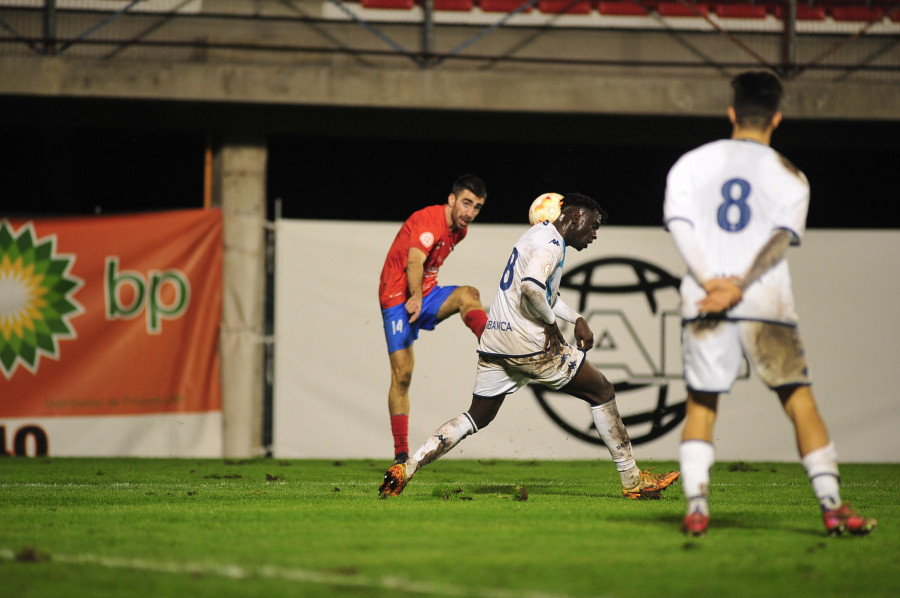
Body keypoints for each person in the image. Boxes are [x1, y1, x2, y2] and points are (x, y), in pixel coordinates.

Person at [663, 70, 876, 538]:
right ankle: (833, 507)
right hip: (766, 302)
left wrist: (713, 284)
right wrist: (740, 285)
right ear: (776, 117)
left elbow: (680, 226)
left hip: (705, 302)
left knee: (701, 406)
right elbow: (781, 240)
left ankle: (698, 506)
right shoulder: (790, 176)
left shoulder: (691, 163)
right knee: (801, 403)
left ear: (732, 112)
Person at [379, 192, 680, 499]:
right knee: (602, 391)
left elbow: (545, 292)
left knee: (476, 417)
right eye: (593, 224)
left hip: (495, 342)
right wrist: (551, 323)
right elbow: (530, 288)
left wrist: (575, 317)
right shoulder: (551, 244)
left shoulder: (536, 235)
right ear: (575, 217)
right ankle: (632, 480)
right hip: (528, 344)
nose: (594, 233)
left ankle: (408, 467)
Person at [379, 174, 490, 465]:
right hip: (397, 297)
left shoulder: (460, 231)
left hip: (426, 294)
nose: (471, 212)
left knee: (469, 294)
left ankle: (492, 343)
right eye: (466, 203)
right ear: (451, 199)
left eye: (477, 207)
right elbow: (414, 260)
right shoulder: (429, 220)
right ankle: (401, 453)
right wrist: (414, 296)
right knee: (402, 375)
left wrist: (422, 295)